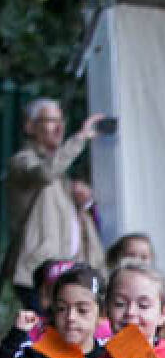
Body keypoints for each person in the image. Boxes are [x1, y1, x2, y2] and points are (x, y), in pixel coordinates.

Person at [4, 100, 106, 282]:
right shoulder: (22, 161)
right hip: (36, 273)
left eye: (62, 121)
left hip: (64, 272)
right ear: (30, 126)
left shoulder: (59, 170)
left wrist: (84, 202)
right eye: (51, 121)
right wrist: (80, 138)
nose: (60, 128)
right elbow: (46, 173)